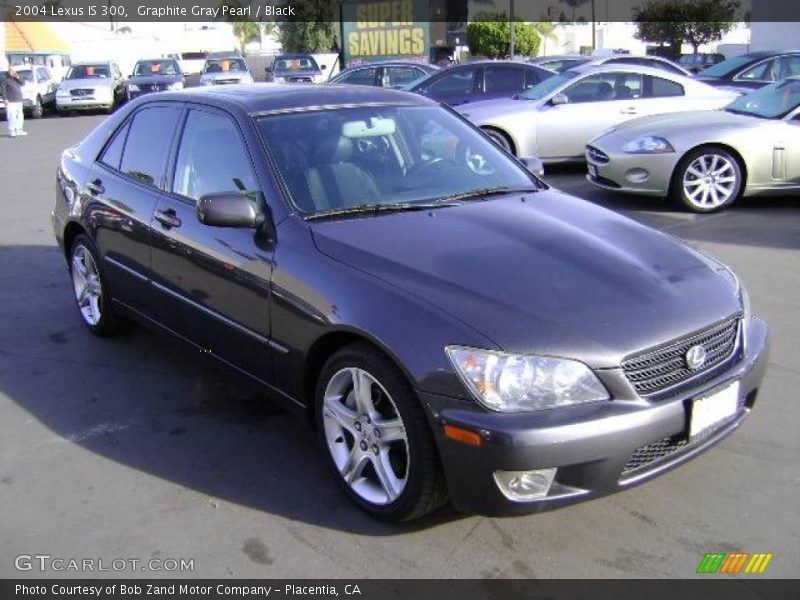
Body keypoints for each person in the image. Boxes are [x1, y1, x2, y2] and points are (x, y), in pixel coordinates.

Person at [1, 66, 27, 137]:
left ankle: (19, 130)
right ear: (8, 71)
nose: (12, 72)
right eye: (10, 71)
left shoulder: (17, 79)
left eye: (13, 71)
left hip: (18, 100)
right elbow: (3, 91)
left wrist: (18, 77)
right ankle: (12, 131)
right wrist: (5, 99)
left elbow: (23, 83)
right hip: (11, 101)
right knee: (12, 116)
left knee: (20, 116)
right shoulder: (5, 80)